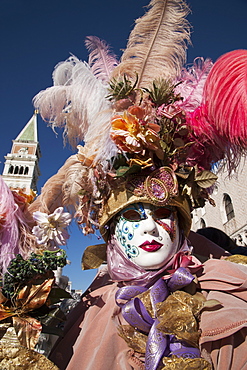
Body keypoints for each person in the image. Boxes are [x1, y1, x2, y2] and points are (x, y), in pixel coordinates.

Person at [26, 0, 247, 368]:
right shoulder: (87, 314)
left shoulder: (235, 295)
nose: (149, 226)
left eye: (163, 212)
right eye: (132, 215)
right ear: (111, 232)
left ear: (182, 223)